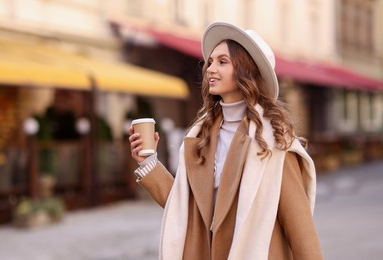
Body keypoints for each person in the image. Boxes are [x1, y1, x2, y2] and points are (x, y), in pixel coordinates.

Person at [128, 21, 323, 260]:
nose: (210, 68)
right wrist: (148, 161)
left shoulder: (274, 140)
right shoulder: (200, 136)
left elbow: (300, 228)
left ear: (245, 71)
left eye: (222, 62)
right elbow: (183, 207)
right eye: (210, 61)